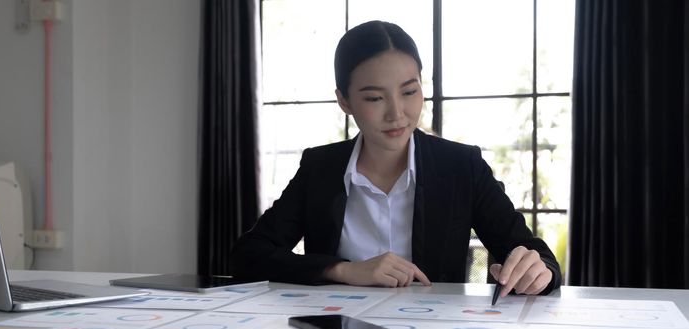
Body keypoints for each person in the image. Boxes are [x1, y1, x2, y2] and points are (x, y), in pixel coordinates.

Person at [231, 20, 561, 297]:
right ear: (344, 101)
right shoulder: (321, 168)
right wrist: (344, 270)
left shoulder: (461, 166)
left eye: (409, 92)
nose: (397, 114)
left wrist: (538, 270)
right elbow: (248, 256)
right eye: (375, 97)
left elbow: (534, 253)